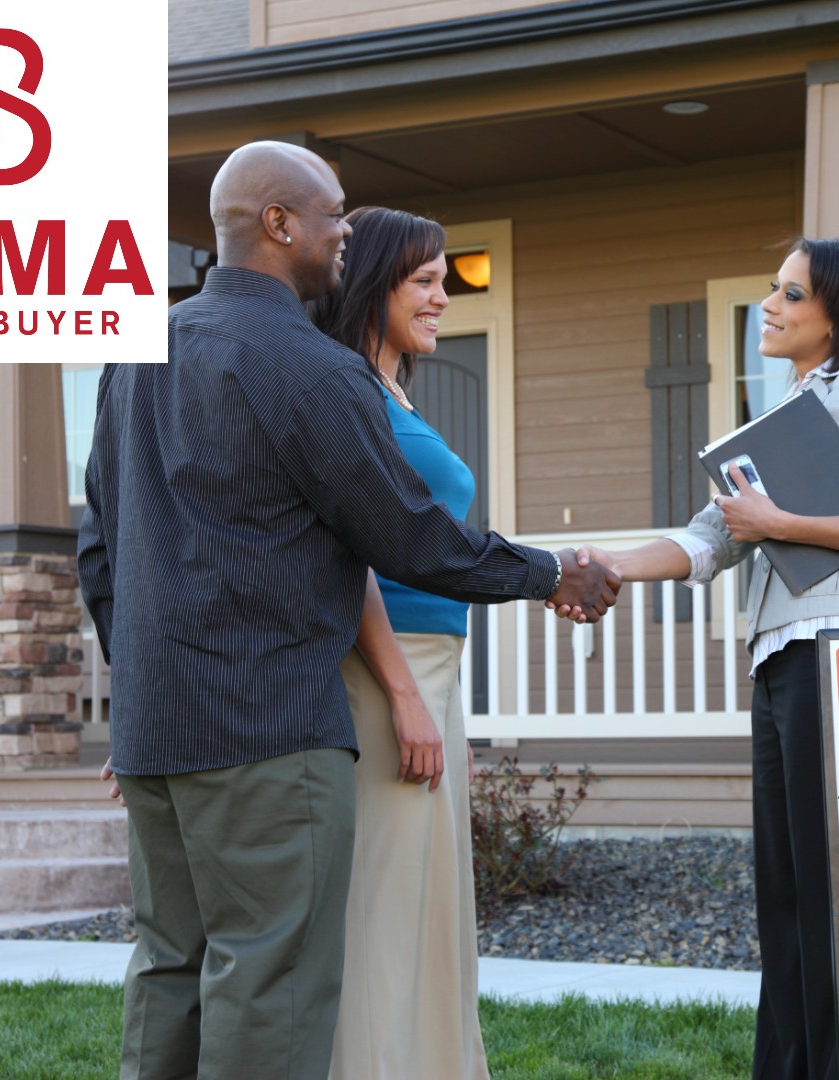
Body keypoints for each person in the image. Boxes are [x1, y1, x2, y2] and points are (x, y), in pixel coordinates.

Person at [77, 142, 620, 1080]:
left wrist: (141, 690)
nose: (343, 233)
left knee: (170, 966)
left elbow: (100, 550)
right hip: (269, 732)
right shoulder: (309, 369)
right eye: (332, 215)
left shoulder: (139, 353)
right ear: (279, 225)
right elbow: (414, 539)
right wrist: (552, 575)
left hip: (157, 728)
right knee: (269, 983)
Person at [576, 227, 839, 1080]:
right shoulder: (786, 410)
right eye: (772, 288)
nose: (768, 306)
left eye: (791, 293)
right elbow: (711, 540)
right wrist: (605, 567)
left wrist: (783, 523)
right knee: (787, 899)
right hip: (782, 663)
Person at [304, 205, 491, 1080]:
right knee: (384, 908)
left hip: (434, 670)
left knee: (430, 906)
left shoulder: (393, 388)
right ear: (373, 283)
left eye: (443, 278)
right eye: (423, 280)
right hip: (387, 675)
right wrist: (405, 693)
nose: (442, 296)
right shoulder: (346, 389)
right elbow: (353, 555)